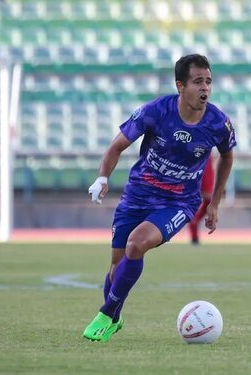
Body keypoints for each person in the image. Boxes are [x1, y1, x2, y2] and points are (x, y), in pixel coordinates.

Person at [83, 54, 237, 342]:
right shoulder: (156, 111)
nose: (205, 88)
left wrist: (214, 203)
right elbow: (117, 146)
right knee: (116, 268)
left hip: (178, 202)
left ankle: (105, 314)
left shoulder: (218, 123)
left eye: (208, 81)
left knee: (137, 243)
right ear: (180, 85)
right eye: (197, 82)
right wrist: (102, 178)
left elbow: (227, 156)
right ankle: (114, 319)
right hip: (138, 194)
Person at [188, 154, 215, 245]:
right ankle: (193, 233)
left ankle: (194, 221)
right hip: (187, 154)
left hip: (204, 152)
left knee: (208, 197)